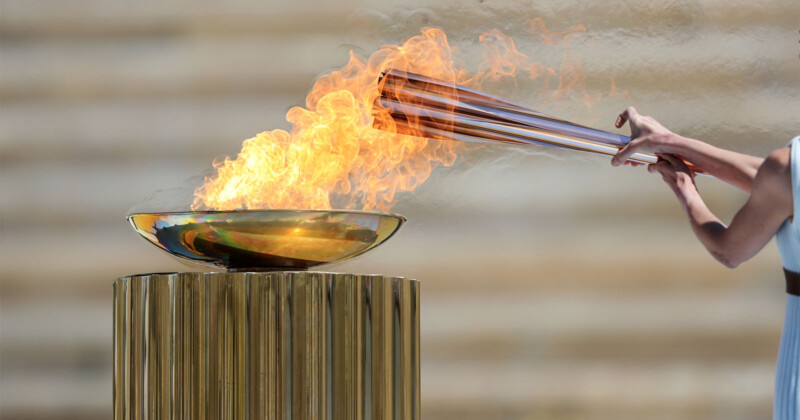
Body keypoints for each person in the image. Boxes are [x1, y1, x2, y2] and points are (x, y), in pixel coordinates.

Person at [610, 106, 799, 419]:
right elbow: (778, 184)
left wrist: (685, 190)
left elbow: (729, 250)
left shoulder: (787, 169)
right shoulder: (786, 172)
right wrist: (671, 142)